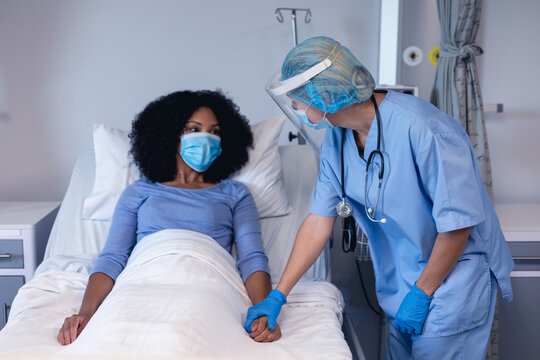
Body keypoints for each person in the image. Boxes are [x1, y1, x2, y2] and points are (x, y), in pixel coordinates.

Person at [244, 36, 514, 359]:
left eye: (297, 100)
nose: (295, 109)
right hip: (401, 287)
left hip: (452, 287)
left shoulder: (423, 128)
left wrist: (423, 292)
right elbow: (318, 221)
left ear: (325, 94)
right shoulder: (336, 142)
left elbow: (457, 225)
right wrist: (278, 295)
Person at [58, 90, 281, 345]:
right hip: (144, 279)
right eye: (193, 129)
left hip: (206, 283)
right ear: (170, 134)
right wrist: (86, 313)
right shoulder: (139, 192)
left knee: (194, 337)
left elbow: (252, 259)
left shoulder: (235, 194)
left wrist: (264, 311)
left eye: (215, 132)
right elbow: (113, 258)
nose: (206, 138)